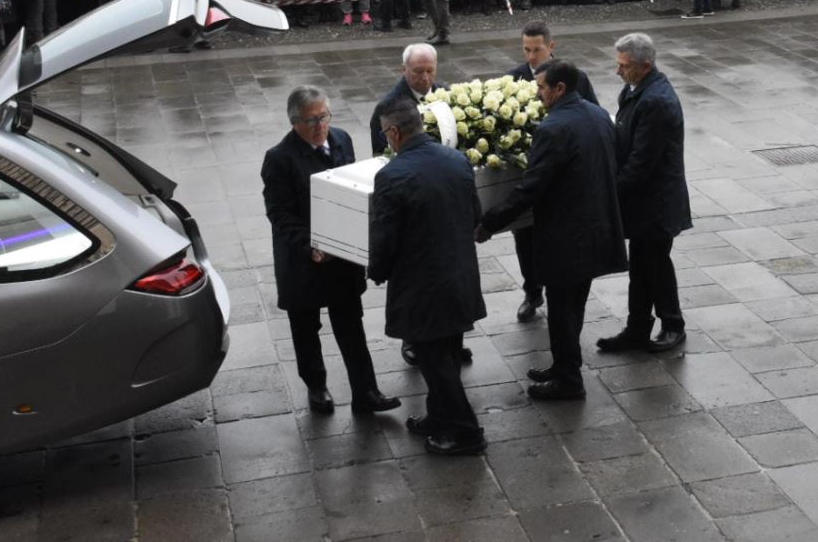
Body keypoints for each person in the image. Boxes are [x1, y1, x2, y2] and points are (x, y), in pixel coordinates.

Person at [478, 60, 628, 400]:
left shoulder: (553, 128)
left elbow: (532, 188)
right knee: (575, 304)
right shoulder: (597, 114)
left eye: (542, 87)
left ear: (559, 89)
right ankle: (563, 365)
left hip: (566, 236)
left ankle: (568, 381)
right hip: (597, 227)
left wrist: (490, 222)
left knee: (562, 310)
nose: (537, 92)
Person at [260, 86, 399, 417]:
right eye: (312, 120)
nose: (321, 125)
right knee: (306, 327)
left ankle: (366, 392)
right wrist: (311, 245)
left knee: (351, 325)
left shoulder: (341, 138)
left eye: (324, 116)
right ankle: (316, 386)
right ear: (295, 122)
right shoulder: (279, 158)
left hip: (341, 257)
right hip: (303, 260)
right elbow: (278, 213)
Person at [367, 97, 485, 455]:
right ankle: (439, 417)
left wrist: (377, 271)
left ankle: (466, 432)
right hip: (459, 275)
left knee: (436, 364)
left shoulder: (392, 175)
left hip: (422, 285)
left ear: (393, 132)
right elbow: (474, 214)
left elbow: (385, 235)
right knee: (445, 353)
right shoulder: (457, 160)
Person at [599, 33, 692, 354]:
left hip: (656, 203)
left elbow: (642, 163)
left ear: (646, 65)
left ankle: (672, 324)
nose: (618, 71)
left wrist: (610, 193)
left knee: (654, 263)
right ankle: (637, 327)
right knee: (641, 265)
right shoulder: (637, 88)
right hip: (645, 202)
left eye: (624, 66)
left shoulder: (656, 102)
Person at [507, 21, 600, 323]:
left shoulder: (574, 78)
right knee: (524, 237)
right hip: (530, 169)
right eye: (526, 49)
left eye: (537, 50)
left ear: (551, 47)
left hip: (561, 173)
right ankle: (532, 290)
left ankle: (563, 293)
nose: (531, 56)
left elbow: (591, 115)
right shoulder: (514, 79)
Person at [370, 42, 441, 156]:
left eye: (430, 70)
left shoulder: (446, 94)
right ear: (403, 69)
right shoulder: (387, 107)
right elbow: (381, 154)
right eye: (418, 71)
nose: (425, 77)